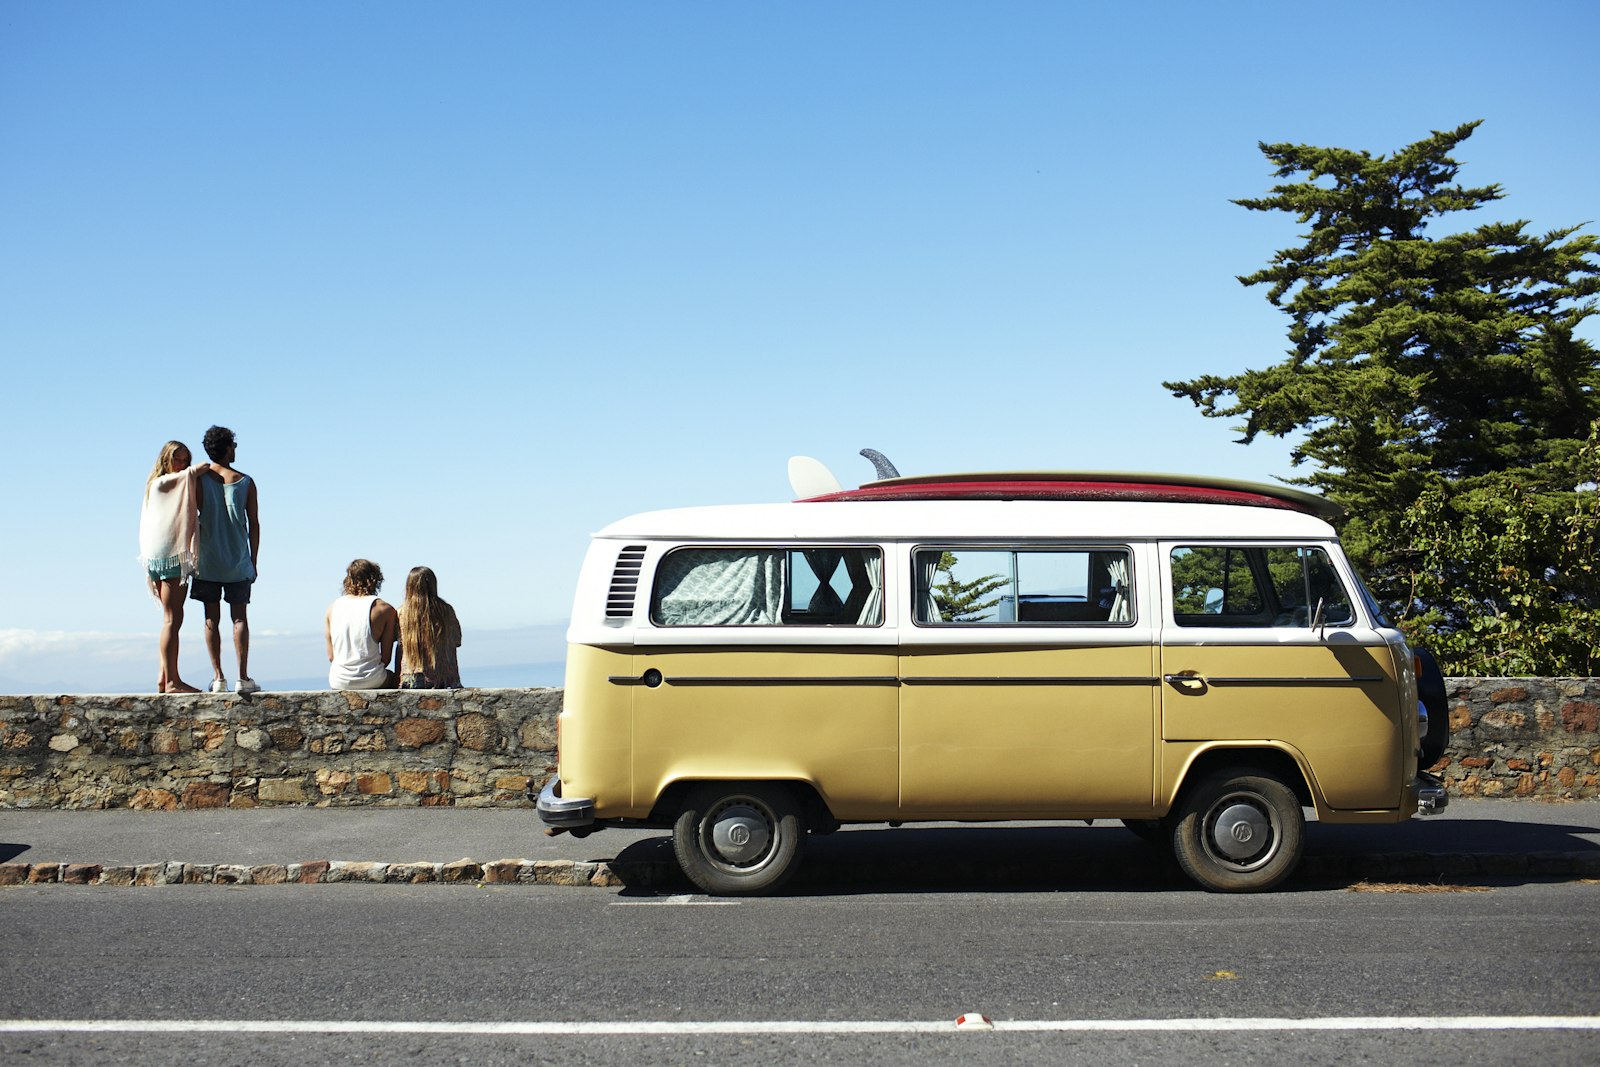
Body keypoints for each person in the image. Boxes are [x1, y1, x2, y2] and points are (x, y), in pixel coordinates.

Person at [190, 425, 260, 694]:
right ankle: (242, 676)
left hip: (206, 560)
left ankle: (218, 677)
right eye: (233, 444)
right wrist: (253, 559)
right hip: (238, 561)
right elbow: (253, 523)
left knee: (211, 618)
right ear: (227, 447)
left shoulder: (200, 480)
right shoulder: (245, 482)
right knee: (239, 618)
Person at [138, 440, 211, 693]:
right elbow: (200, 469)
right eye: (177, 459)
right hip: (169, 557)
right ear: (165, 460)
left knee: (172, 618)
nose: (181, 465)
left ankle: (163, 676)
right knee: (172, 619)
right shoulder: (163, 482)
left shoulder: (154, 486)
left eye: (184, 460)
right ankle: (172, 681)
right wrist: (196, 469)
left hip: (159, 556)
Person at [326, 559, 400, 690]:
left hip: (338, 680)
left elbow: (331, 656)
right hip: (373, 679)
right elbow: (386, 658)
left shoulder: (332, 608)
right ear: (376, 580)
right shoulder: (384, 609)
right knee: (397, 679)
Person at [397, 566, 463, 689]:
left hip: (411, 678)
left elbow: (399, 644)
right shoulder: (446, 610)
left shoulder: (401, 613)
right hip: (446, 678)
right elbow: (457, 641)